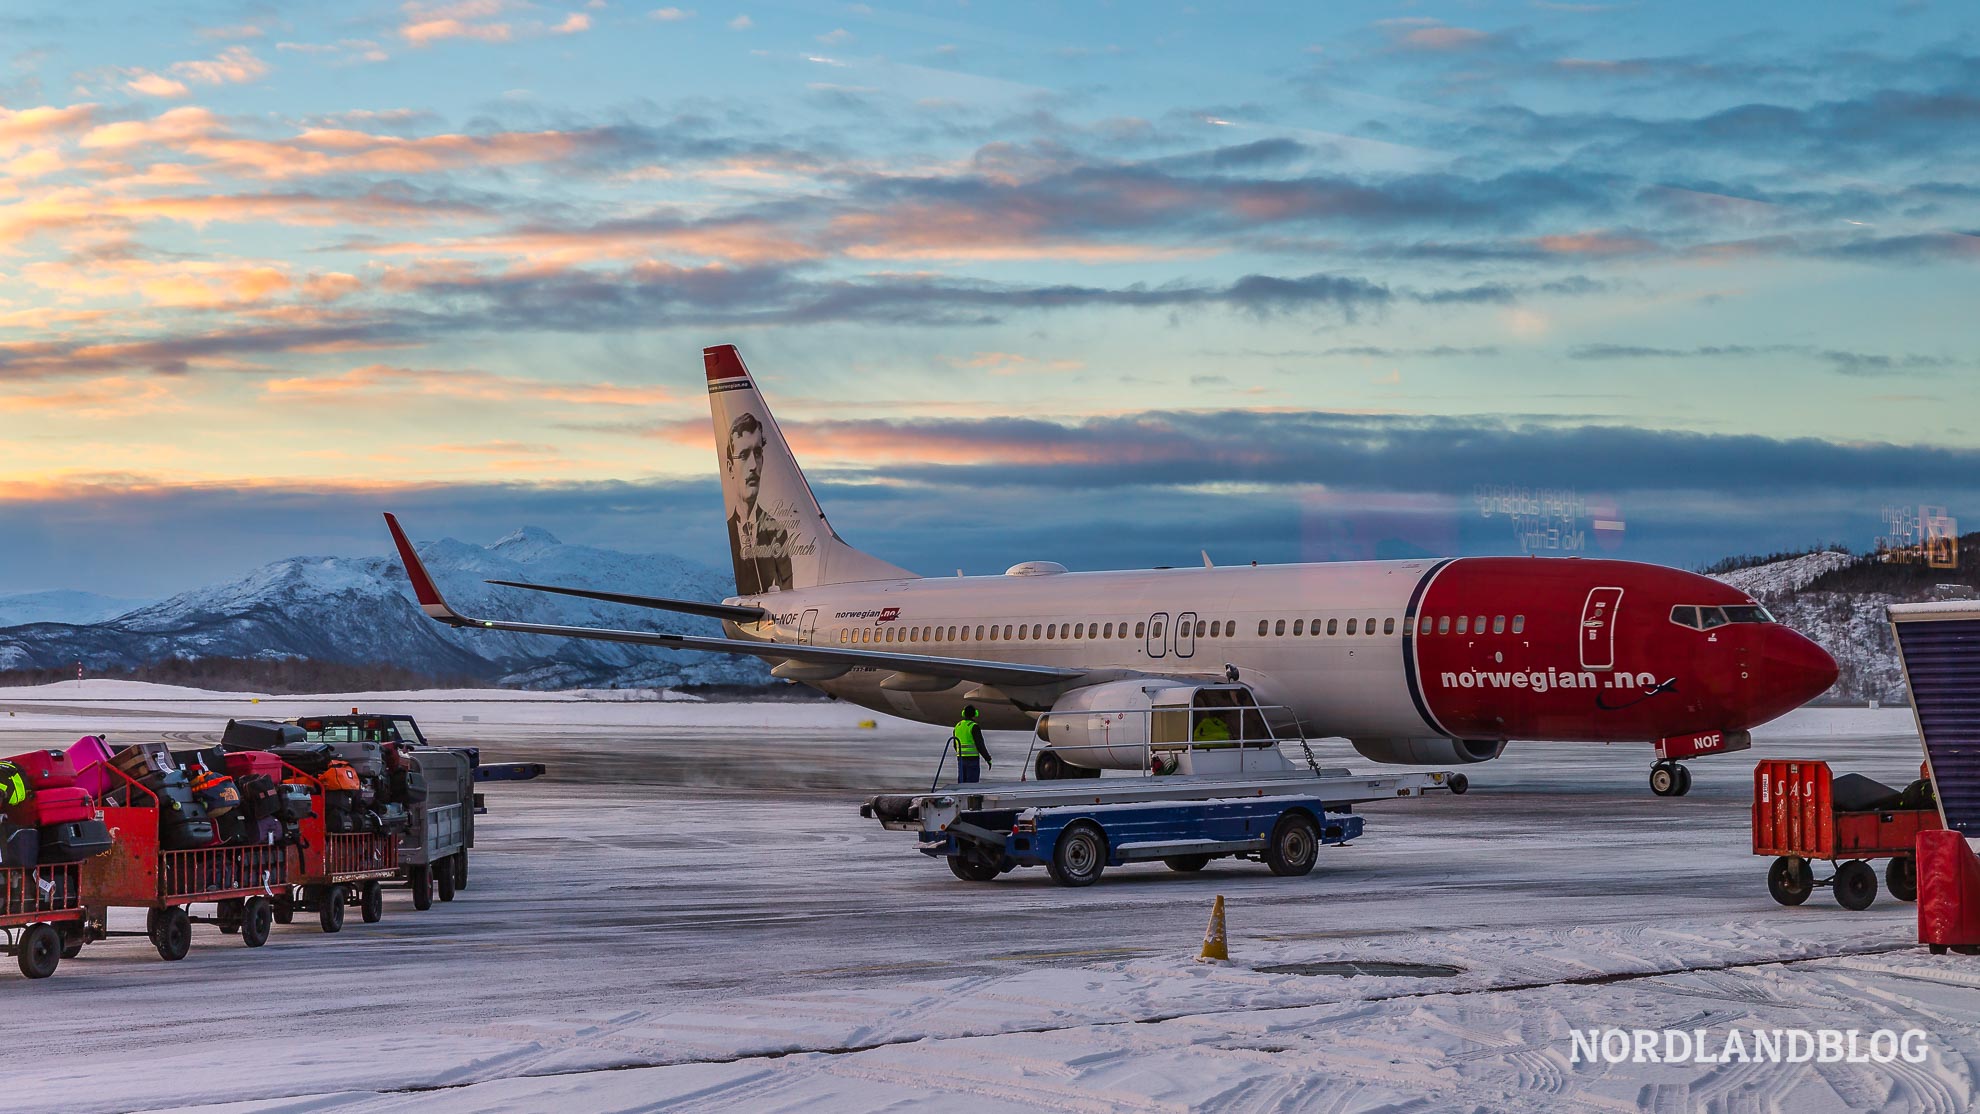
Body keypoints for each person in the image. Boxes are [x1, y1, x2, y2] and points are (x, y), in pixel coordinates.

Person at [952, 706, 993, 784]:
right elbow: (980, 744)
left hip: (960, 758)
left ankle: (961, 796)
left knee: (962, 782)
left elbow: (954, 744)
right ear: (975, 714)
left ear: (963, 713)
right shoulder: (973, 726)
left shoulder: (958, 726)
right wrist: (988, 758)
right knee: (972, 783)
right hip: (972, 759)